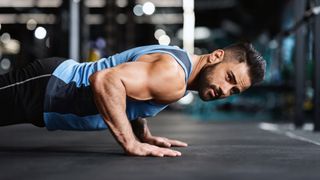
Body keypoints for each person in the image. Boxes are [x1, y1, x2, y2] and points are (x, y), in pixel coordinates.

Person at [0, 42, 266, 157]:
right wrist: (130, 144)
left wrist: (143, 135)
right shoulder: (174, 76)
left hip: (48, 97)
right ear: (217, 56)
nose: (224, 90)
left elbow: (132, 90)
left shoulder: (180, 72)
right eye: (230, 78)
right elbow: (105, 80)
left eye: (233, 91)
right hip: (49, 87)